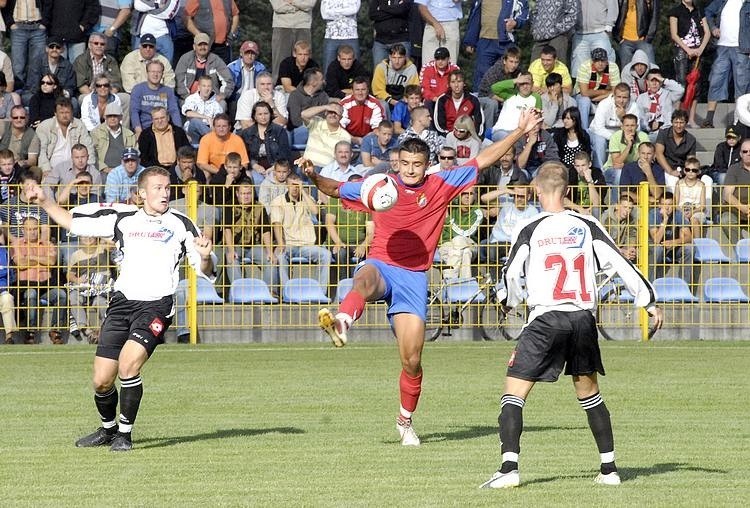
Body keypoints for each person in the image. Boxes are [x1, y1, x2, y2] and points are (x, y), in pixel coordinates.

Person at [299, 107, 543, 446]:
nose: (411, 170)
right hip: (382, 264)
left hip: (414, 278)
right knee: (364, 281)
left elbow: (484, 159)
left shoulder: (441, 183)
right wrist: (312, 176)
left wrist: (517, 132)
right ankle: (342, 321)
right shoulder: (379, 185)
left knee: (412, 359)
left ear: (425, 164)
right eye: (405, 164)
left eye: (417, 164)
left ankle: (405, 420)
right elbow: (336, 188)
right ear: (396, 162)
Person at [479, 160, 663, 489]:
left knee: (513, 394)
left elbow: (510, 274)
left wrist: (509, 301)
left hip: (546, 318)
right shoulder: (587, 224)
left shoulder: (531, 229)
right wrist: (647, 301)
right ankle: (609, 470)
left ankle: (509, 469)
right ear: (567, 190)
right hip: (581, 319)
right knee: (589, 394)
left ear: (537, 190)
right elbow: (620, 260)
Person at [24, 165, 216, 452]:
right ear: (142, 193)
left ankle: (124, 435)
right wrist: (44, 200)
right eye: (158, 188)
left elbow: (205, 269)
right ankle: (108, 429)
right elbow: (72, 222)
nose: (164, 193)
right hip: (121, 303)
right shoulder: (122, 218)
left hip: (156, 305)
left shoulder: (181, 223)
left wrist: (204, 257)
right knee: (101, 380)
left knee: (128, 365)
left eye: (167, 188)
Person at [270, 172, 332, 291]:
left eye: (297, 185)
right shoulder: (278, 201)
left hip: (306, 245)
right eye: (292, 185)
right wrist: (280, 243)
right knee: (281, 257)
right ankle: (287, 292)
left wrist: (303, 191)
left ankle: (320, 292)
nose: (295, 188)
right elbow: (276, 224)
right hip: (288, 244)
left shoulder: (307, 199)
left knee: (326, 255)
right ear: (287, 186)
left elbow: (315, 211)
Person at [11, 215, 66, 345]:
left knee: (61, 295)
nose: (33, 232)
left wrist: (31, 256)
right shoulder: (16, 244)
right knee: (31, 293)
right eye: (29, 229)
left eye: (35, 229)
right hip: (26, 286)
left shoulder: (48, 244)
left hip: (46, 286)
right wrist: (41, 260)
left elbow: (51, 262)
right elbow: (20, 264)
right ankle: (31, 332)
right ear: (23, 230)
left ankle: (55, 331)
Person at [463, 0, 528, 92]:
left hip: (506, 41)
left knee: (509, 74)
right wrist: (470, 40)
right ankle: (480, 102)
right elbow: (474, 15)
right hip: (484, 41)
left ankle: (506, 103)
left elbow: (524, 12)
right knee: (481, 75)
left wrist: (516, 22)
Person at [669, 0, 711, 128]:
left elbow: (707, 32)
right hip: (682, 51)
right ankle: (677, 117)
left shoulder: (699, 11)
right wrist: (688, 50)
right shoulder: (675, 11)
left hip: (698, 52)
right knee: (681, 84)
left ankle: (691, 119)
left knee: (696, 85)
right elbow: (674, 35)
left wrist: (700, 49)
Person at [66, 235, 114, 344]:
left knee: (101, 302)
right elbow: (70, 275)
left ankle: (103, 331)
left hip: (101, 288)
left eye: (90, 236)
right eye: (84, 236)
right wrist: (77, 280)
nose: (87, 238)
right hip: (84, 288)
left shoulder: (103, 249)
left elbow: (112, 244)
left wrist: (101, 237)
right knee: (73, 297)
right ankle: (87, 331)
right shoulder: (76, 255)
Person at [648, 191, 698, 289]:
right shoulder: (653, 214)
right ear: (659, 205)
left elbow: (689, 236)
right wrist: (665, 221)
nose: (667, 208)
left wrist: (675, 242)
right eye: (664, 205)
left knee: (689, 248)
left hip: (673, 247)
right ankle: (651, 287)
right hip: (657, 248)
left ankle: (684, 287)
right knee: (658, 249)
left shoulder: (678, 214)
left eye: (670, 205)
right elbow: (656, 240)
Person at [240, 101, 292, 186]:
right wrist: (254, 165)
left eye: (266, 113)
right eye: (260, 114)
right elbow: (245, 155)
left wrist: (273, 168)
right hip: (254, 168)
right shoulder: (246, 133)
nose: (263, 117)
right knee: (256, 180)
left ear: (270, 114)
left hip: (275, 167)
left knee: (273, 180)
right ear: (255, 116)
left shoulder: (279, 131)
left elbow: (285, 154)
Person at [437, 186, 484, 279]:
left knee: (459, 241)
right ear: (459, 194)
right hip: (447, 245)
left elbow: (465, 234)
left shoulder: (478, 212)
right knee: (465, 252)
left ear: (475, 196)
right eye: (464, 194)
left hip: (469, 243)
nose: (467, 197)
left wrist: (447, 219)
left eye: (470, 194)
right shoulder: (451, 205)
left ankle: (449, 282)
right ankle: (465, 286)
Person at [433, 69, 483, 137]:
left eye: (459, 81)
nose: (456, 85)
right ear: (449, 84)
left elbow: (479, 122)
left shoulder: (473, 100)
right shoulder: (442, 100)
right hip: (447, 136)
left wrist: (473, 136)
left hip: (468, 137)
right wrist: (449, 135)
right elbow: (439, 125)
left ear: (464, 83)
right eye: (453, 82)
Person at [720, 137, 750, 245]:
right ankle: (742, 251)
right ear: (741, 154)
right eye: (745, 151)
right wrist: (743, 208)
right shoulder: (734, 168)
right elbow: (727, 195)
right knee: (725, 221)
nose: (748, 154)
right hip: (734, 210)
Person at [181, 74, 225, 143]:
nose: (206, 89)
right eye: (204, 86)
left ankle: (212, 140)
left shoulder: (216, 103)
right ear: (199, 87)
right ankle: (216, 140)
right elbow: (188, 113)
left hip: (208, 130)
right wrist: (207, 117)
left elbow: (218, 120)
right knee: (195, 121)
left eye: (209, 86)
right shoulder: (191, 98)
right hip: (192, 131)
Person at [613, 0, 659, 65]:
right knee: (626, 71)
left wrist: (648, 38)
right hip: (625, 40)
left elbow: (655, 17)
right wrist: (618, 38)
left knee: (651, 68)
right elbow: (613, 13)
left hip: (643, 39)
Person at [320, 0, 360, 71]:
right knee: (328, 69)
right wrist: (345, 12)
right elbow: (324, 14)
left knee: (356, 69)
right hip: (331, 36)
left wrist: (333, 12)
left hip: (351, 36)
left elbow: (354, 9)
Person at [675, 156, 707, 238]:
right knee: (681, 219)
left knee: (694, 220)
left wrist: (692, 212)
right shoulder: (679, 183)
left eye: (694, 170)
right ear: (684, 170)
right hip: (681, 210)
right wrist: (683, 212)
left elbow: (702, 206)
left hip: (697, 211)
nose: (690, 172)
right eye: (687, 169)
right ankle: (683, 245)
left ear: (699, 172)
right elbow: (675, 203)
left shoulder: (701, 185)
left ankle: (697, 243)